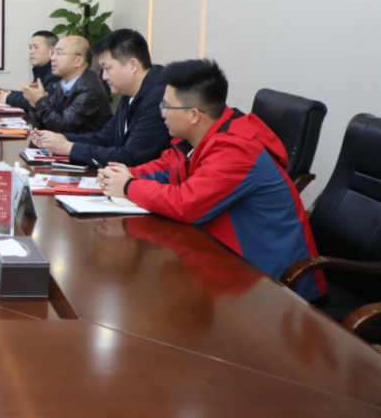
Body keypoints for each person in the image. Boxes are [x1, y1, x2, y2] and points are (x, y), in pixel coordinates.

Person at [98, 59, 326, 302]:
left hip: (274, 288)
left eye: (166, 106)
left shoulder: (236, 150)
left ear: (193, 115)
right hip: (225, 263)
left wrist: (128, 186)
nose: (161, 113)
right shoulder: (202, 135)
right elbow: (168, 168)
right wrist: (127, 173)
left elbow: (186, 203)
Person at [33, 29, 170, 167]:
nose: (104, 77)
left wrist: (69, 148)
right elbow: (104, 137)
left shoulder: (159, 97)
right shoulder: (130, 91)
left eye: (107, 68)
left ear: (133, 65)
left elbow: (131, 157)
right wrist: (61, 139)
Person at [23, 35, 112, 135]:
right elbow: (46, 121)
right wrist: (35, 103)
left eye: (59, 53)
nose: (52, 58)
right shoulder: (63, 84)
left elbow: (63, 126)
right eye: (53, 53)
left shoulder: (90, 89)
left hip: (84, 144)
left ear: (78, 61)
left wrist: (40, 100)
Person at [0, 30, 61, 112]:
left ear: (51, 51)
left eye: (36, 47)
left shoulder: (58, 73)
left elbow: (39, 101)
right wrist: (10, 93)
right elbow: (33, 96)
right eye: (30, 48)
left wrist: (8, 97)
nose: (31, 52)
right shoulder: (39, 69)